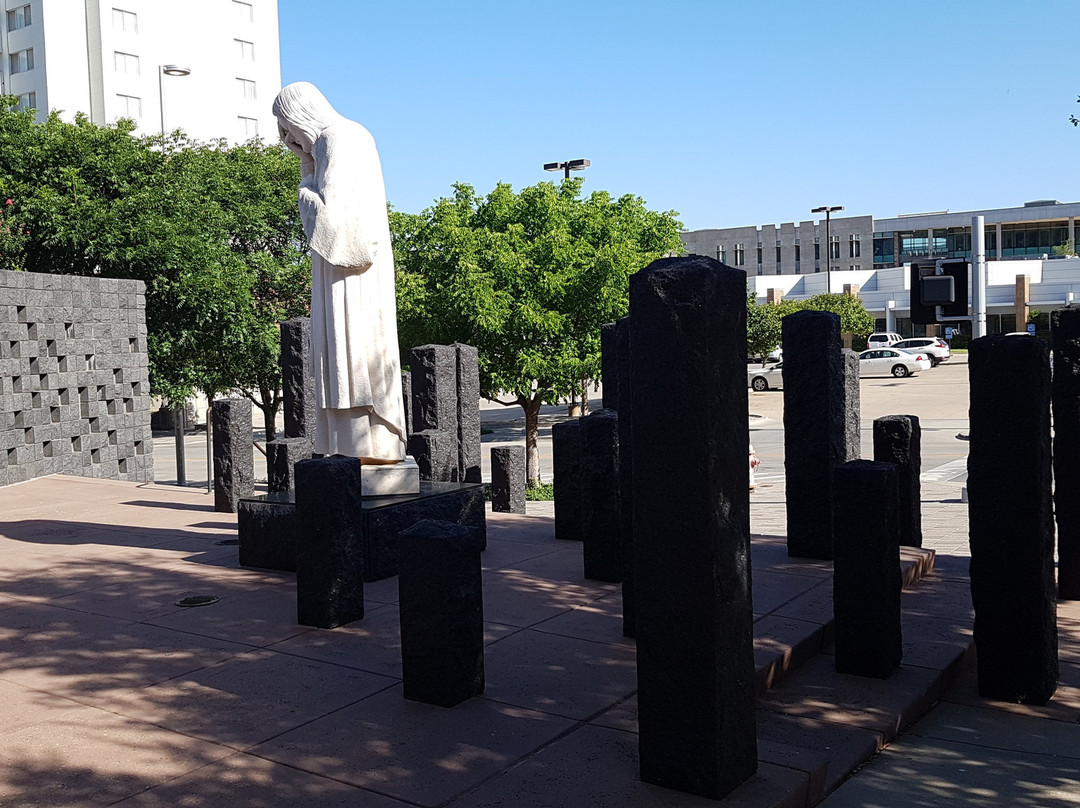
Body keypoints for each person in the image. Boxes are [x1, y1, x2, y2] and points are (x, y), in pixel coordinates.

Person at [272, 82, 407, 463]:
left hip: (349, 272)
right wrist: (309, 162)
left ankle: (359, 447)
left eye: (285, 126)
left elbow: (330, 221)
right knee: (349, 349)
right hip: (353, 269)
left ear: (302, 115)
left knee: (349, 349)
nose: (286, 138)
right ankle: (361, 445)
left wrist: (304, 181)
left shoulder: (337, 138)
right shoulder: (351, 136)